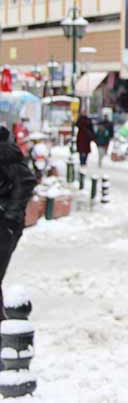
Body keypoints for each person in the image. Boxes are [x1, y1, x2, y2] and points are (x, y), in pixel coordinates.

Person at [0, 126, 36, 319]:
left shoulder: (5, 152)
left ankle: (6, 333)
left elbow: (27, 181)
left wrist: (9, 214)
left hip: (4, 226)